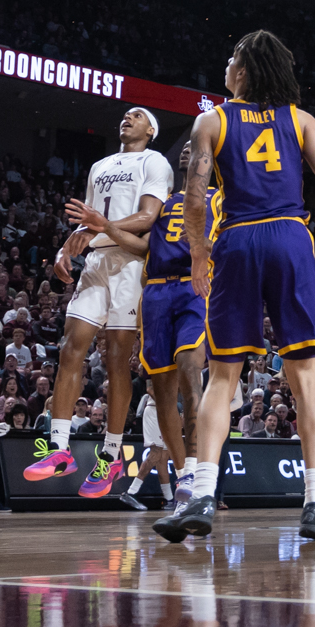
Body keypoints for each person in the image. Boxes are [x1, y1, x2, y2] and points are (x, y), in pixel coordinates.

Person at [151, 32, 315, 544]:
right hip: (291, 237)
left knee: (223, 377)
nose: (225, 65)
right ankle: (314, 502)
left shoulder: (212, 120)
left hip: (238, 241)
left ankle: (200, 494)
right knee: (305, 373)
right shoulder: (300, 120)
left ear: (242, 71)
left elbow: (194, 194)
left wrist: (198, 252)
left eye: (230, 59)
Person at [34, 107, 172, 498]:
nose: (128, 117)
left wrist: (98, 226)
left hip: (131, 262)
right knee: (70, 349)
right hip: (96, 260)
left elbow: (147, 218)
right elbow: (87, 222)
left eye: (138, 115)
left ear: (151, 130)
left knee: (115, 360)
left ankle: (110, 456)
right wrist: (66, 247)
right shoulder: (100, 165)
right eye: (126, 114)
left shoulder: (155, 161)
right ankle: (59, 448)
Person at [72, 141, 211, 511]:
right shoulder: (163, 204)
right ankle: (184, 479)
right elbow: (143, 244)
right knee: (160, 390)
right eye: (184, 146)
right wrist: (106, 229)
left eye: (196, 147)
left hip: (194, 289)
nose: (187, 150)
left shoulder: (221, 198)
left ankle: (197, 471)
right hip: (154, 295)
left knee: (189, 372)